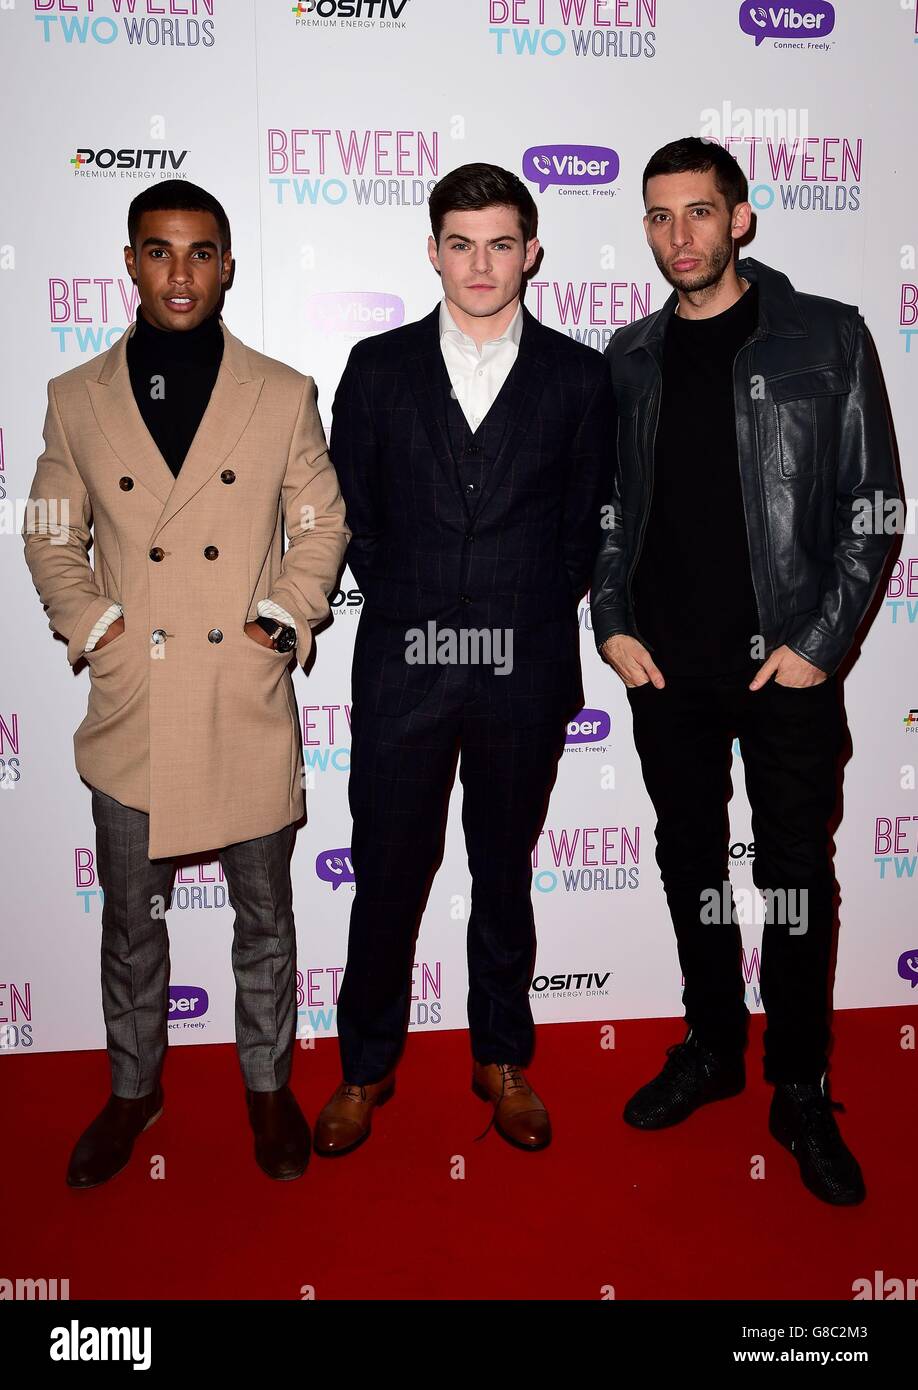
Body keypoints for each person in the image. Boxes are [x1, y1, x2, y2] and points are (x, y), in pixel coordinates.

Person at [591, 137, 900, 1205]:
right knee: (694, 871)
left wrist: (819, 642)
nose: (681, 236)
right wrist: (611, 616)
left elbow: (874, 508)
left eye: (700, 213)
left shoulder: (827, 335)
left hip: (785, 672)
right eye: (661, 216)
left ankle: (801, 1083)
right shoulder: (627, 355)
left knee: (796, 882)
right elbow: (611, 508)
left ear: (742, 219)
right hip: (665, 672)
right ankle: (715, 1047)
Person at [22, 180, 350, 1185]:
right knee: (133, 923)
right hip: (136, 707)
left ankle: (266, 1086)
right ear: (129, 262)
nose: (180, 272)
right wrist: (100, 627)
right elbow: (47, 533)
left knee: (266, 918)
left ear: (227, 266)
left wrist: (282, 617)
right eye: (159, 252)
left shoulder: (281, 391)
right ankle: (134, 1089)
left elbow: (323, 521)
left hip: (240, 698)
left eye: (201, 252)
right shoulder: (76, 398)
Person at [316, 162, 615, 1155]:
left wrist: (518, 606)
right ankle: (364, 1067)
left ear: (531, 252)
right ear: (433, 248)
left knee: (504, 869)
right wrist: (418, 606)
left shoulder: (581, 376)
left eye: (500, 243)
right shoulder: (377, 367)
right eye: (460, 241)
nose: (480, 263)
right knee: (388, 873)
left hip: (522, 669)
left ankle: (503, 1057)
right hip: (404, 669)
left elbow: (586, 529)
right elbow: (350, 512)